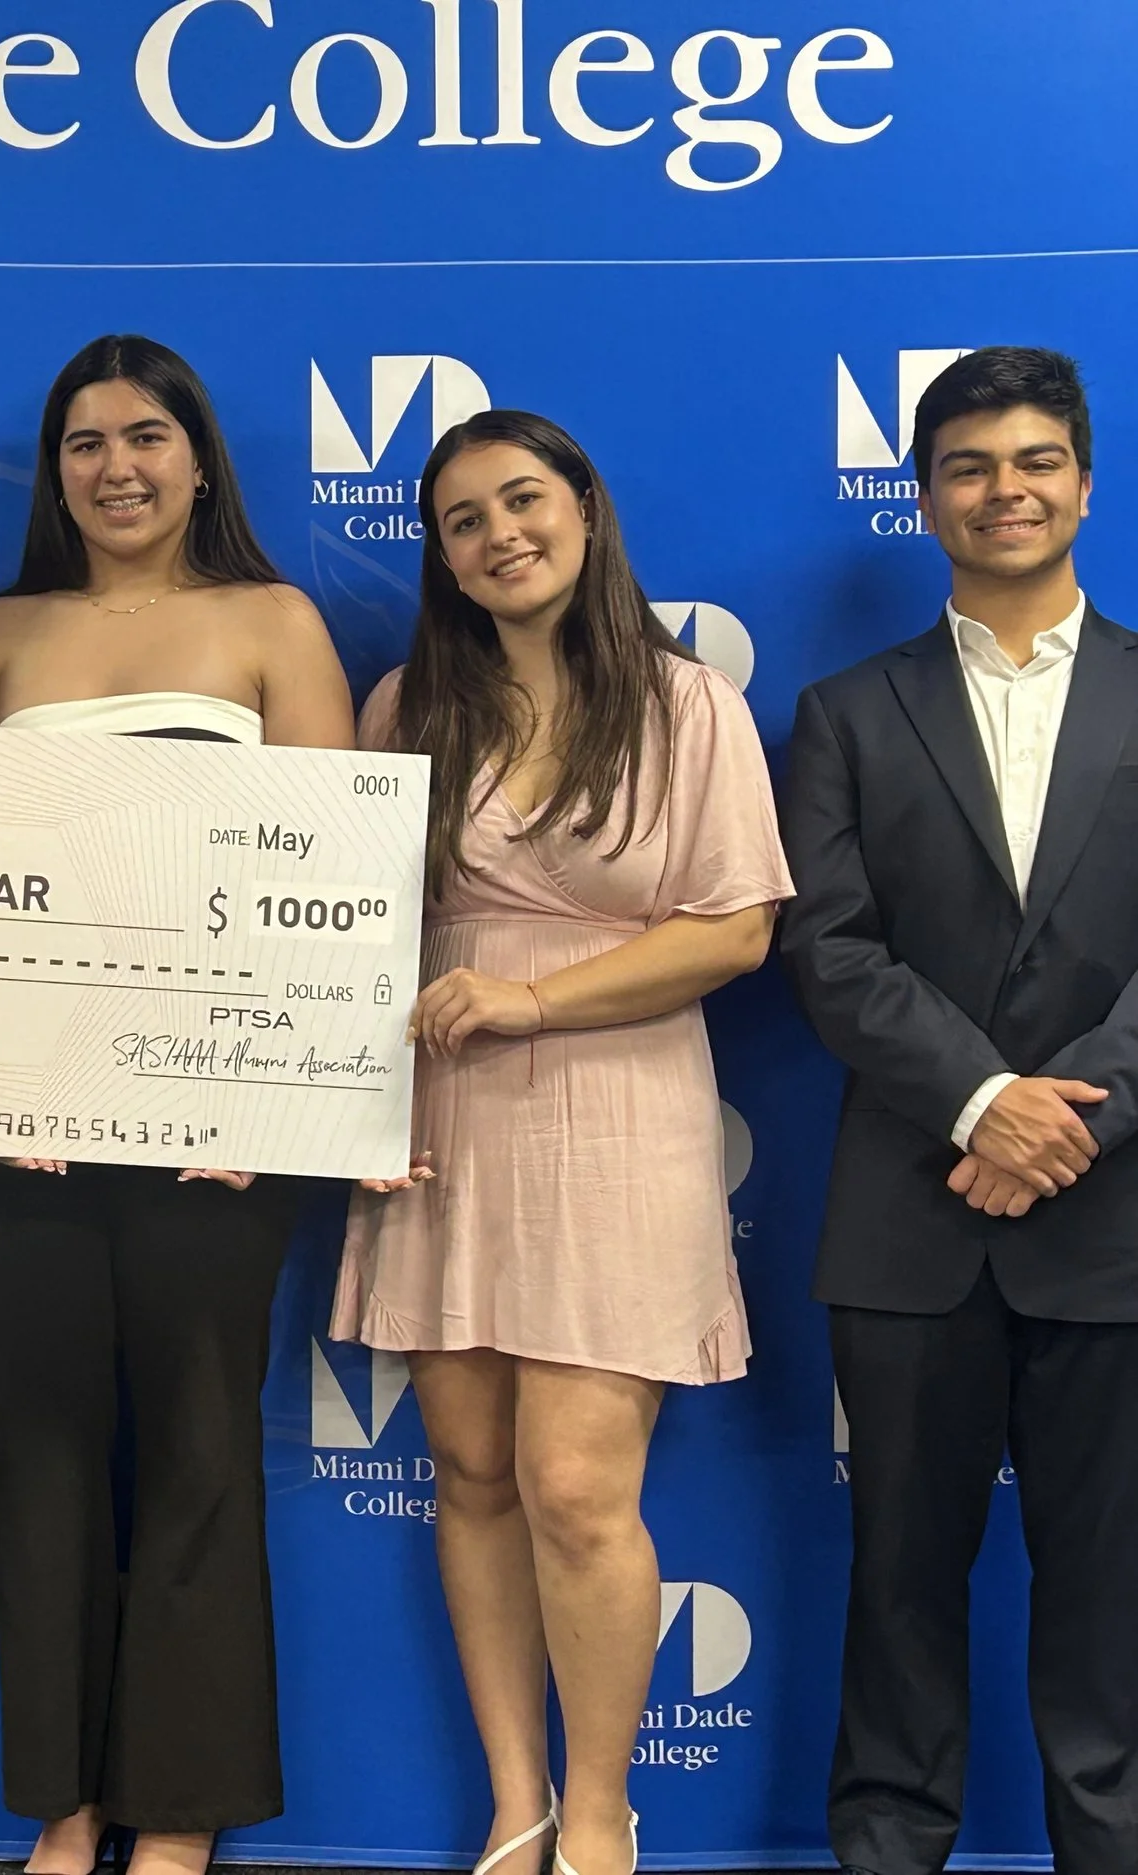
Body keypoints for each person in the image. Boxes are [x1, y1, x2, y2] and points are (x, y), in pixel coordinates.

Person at [336, 410, 786, 1875]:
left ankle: (601, 1815)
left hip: (618, 1109)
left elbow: (733, 929)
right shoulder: (407, 705)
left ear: (584, 508)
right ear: (444, 557)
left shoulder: (685, 705)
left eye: (521, 500)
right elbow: (337, 935)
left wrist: (527, 997)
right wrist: (330, 1102)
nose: (497, 534)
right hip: (444, 1116)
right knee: (469, 1469)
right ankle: (516, 1801)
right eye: (461, 520)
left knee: (580, 1487)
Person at [0, 335, 354, 1875]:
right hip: (25, 1126)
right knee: (39, 1448)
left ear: (198, 456)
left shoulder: (273, 621)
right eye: (86, 442)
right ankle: (66, 1800)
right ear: (55, 470)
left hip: (217, 1131)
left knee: (194, 1442)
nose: (117, 466)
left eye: (147, 436)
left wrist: (273, 1099)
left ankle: (177, 1813)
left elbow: (338, 879)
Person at [779, 347, 1138, 1875]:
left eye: (1037, 459)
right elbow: (826, 942)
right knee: (899, 1583)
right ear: (923, 497)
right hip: (910, 1217)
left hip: (1115, 1223)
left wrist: (1080, 1118)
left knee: (1111, 1594)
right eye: (973, 466)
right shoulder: (845, 709)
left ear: (1084, 480)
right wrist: (987, 1100)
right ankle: (888, 1846)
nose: (1008, 489)